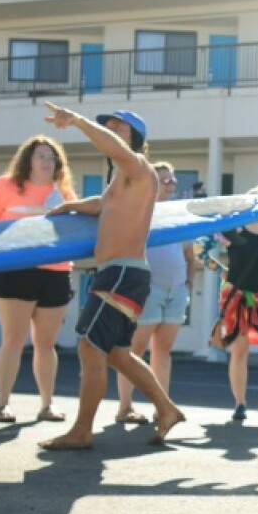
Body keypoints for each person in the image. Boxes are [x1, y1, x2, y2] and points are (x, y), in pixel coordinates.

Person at [38, 103, 186, 449]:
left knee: (90, 347)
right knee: (118, 354)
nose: (112, 133)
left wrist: (76, 121)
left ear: (133, 139)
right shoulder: (122, 179)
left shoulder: (138, 167)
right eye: (111, 127)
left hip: (121, 274)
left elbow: (113, 148)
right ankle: (166, 409)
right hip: (123, 275)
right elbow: (102, 205)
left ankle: (81, 432)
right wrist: (70, 206)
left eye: (119, 129)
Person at [0, 135, 77, 424]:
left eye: (52, 157)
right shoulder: (2, 187)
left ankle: (47, 405)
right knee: (13, 339)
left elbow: (72, 231)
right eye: (41, 156)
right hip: (14, 270)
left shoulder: (64, 192)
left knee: (46, 344)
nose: (48, 162)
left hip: (56, 272)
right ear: (28, 160)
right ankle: (2, 405)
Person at [114, 162, 195, 424]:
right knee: (133, 350)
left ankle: (162, 406)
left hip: (176, 290)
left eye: (172, 180)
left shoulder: (180, 214)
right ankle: (125, 407)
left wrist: (187, 282)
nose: (171, 184)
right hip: (147, 289)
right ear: (151, 183)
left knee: (163, 351)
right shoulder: (141, 211)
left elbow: (188, 255)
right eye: (164, 180)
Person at [197, 185, 258, 421]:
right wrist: (221, 271)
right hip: (234, 296)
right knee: (239, 350)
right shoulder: (230, 233)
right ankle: (240, 404)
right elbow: (200, 248)